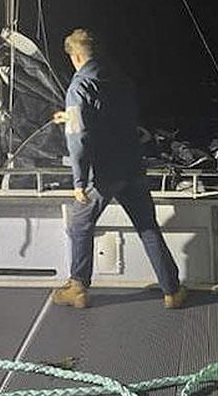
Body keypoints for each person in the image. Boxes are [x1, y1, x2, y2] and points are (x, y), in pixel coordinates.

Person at [52, 28, 186, 309]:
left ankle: (77, 287)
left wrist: (78, 182)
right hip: (132, 165)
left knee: (80, 226)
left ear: (76, 57)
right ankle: (172, 290)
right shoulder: (121, 80)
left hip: (102, 173)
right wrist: (72, 116)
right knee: (147, 227)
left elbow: (78, 137)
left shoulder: (79, 87)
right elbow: (111, 118)